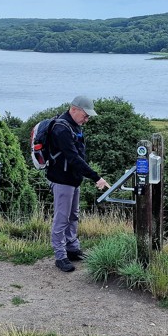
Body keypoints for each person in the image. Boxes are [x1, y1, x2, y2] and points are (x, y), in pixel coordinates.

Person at [45, 95, 110, 272]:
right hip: (62, 180)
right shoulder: (61, 129)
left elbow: (77, 157)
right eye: (85, 115)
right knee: (62, 218)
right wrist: (96, 177)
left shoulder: (73, 125)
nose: (87, 119)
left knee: (73, 215)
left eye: (88, 116)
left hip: (73, 180)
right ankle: (60, 256)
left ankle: (72, 248)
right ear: (73, 109)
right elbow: (73, 158)